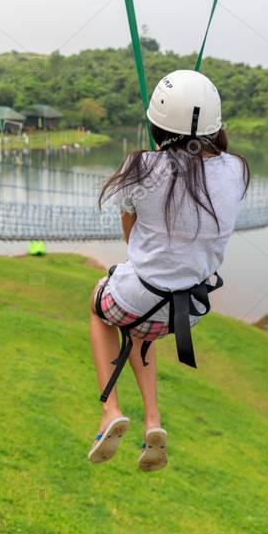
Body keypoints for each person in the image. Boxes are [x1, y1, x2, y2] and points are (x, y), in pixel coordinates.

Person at [86, 70, 249, 471]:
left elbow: (131, 236)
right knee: (143, 334)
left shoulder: (139, 166)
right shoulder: (237, 170)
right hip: (186, 311)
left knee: (98, 306)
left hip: (139, 297)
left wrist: (152, 161)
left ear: (156, 123)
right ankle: (153, 420)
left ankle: (110, 411)